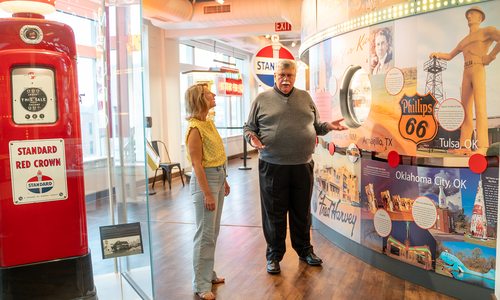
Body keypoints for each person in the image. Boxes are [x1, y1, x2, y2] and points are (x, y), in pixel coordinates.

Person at [244, 59, 347, 275]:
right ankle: (274, 256)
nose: (285, 79)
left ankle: (304, 251)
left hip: (302, 165)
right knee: (274, 213)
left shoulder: (305, 97)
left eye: (289, 75)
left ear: (295, 77)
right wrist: (252, 138)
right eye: (281, 75)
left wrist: (328, 126)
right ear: (275, 76)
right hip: (273, 166)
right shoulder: (262, 99)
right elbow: (249, 127)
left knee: (302, 212)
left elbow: (317, 127)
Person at [430, 6, 499, 154]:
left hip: (478, 68)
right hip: (466, 71)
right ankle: (464, 146)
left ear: (480, 18)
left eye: (473, 14)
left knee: (480, 107)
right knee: (465, 109)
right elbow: (449, 55)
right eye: (468, 14)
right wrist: (438, 54)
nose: (469, 16)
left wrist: (490, 56)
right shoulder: (464, 40)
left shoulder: (487, 31)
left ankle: (483, 146)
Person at [185, 83, 230, 300]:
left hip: (218, 177)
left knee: (213, 233)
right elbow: (197, 165)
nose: (213, 95)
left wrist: (225, 181)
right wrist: (208, 193)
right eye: (208, 93)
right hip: (206, 182)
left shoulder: (208, 123)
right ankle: (201, 284)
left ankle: (208, 273)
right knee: (204, 235)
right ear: (199, 99)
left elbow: (217, 154)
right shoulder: (195, 128)